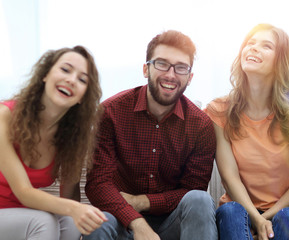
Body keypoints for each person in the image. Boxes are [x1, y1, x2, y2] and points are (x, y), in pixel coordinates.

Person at [84, 30, 217, 240]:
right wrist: (137, 223)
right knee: (99, 223)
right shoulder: (111, 112)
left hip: (171, 223)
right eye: (162, 64)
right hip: (121, 220)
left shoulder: (200, 126)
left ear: (190, 78)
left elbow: (192, 190)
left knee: (199, 200)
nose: (171, 75)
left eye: (180, 67)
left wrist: (141, 201)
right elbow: (98, 183)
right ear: (146, 69)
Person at [205, 23, 289, 240]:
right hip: (237, 213)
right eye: (250, 43)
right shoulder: (219, 111)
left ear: (280, 61)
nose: (253, 48)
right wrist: (255, 218)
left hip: (284, 214)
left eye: (266, 46)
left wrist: (265, 219)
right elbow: (230, 178)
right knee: (230, 211)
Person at [0, 46, 107, 240]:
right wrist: (75, 208)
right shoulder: (4, 116)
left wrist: (77, 214)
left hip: (20, 214)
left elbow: (67, 199)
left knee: (70, 224)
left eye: (82, 80)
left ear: (83, 96)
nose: (71, 80)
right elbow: (23, 192)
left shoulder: (73, 139)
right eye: (65, 70)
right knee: (43, 223)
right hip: (14, 213)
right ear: (45, 75)